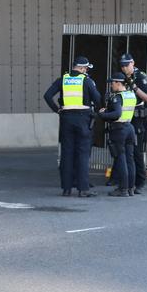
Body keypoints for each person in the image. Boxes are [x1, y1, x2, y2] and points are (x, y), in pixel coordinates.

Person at [44, 56, 102, 197]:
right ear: (81, 68)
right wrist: (97, 111)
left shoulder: (62, 80)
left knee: (67, 154)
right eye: (86, 68)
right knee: (82, 154)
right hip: (83, 119)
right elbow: (97, 98)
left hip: (66, 119)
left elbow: (47, 95)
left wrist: (58, 110)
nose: (86, 71)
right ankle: (83, 189)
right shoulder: (86, 81)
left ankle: (66, 189)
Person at [117, 53, 147, 194]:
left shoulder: (140, 76)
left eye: (127, 65)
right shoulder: (124, 76)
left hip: (138, 118)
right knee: (121, 148)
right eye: (122, 65)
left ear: (133, 63)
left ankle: (140, 182)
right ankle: (121, 180)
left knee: (137, 151)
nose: (124, 68)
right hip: (126, 116)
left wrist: (135, 87)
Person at [98, 73, 137, 197]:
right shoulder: (131, 94)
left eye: (112, 83)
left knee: (121, 159)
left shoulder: (117, 97)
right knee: (130, 159)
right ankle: (131, 188)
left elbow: (116, 114)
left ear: (118, 83)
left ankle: (123, 189)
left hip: (119, 129)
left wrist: (102, 115)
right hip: (130, 128)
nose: (111, 85)